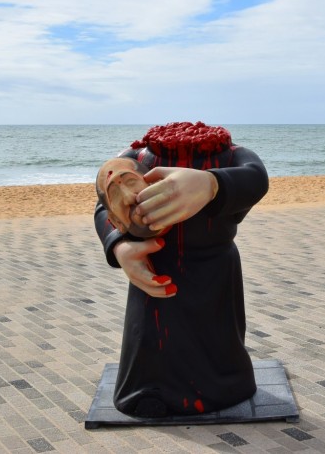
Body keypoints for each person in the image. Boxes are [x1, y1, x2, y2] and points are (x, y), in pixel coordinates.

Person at [94, 122, 269, 417]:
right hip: (154, 266)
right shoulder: (135, 158)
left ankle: (226, 384)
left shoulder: (230, 155)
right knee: (149, 343)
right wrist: (120, 246)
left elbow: (255, 179)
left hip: (214, 269)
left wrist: (211, 183)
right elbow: (104, 206)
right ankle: (147, 390)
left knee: (218, 342)